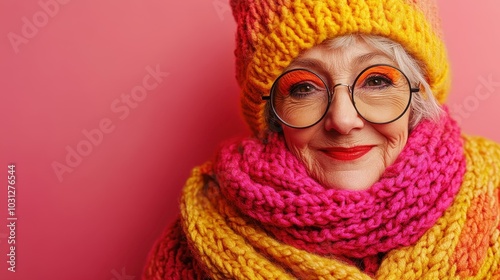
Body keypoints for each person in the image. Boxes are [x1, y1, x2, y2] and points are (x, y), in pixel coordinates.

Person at [143, 0, 500, 279]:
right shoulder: (188, 252)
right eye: (304, 88)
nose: (342, 120)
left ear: (418, 96)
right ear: (272, 113)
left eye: (376, 81)